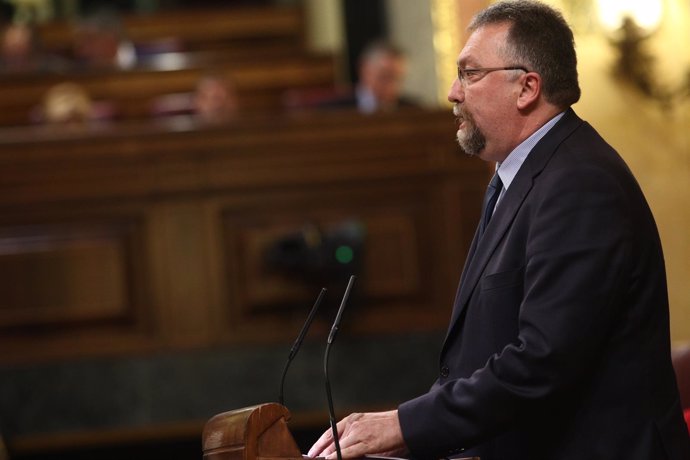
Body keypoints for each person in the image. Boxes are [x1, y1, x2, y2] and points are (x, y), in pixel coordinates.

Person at [307, 1, 690, 459]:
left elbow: (542, 362)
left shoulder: (580, 184)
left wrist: (405, 426)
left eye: (469, 73)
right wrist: (417, 439)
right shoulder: (521, 177)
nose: (452, 92)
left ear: (526, 87)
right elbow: (482, 352)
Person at [317, 40, 417, 114]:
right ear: (364, 70)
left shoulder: (414, 111)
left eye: (398, 78)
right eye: (385, 76)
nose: (392, 84)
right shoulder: (333, 111)